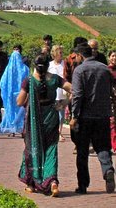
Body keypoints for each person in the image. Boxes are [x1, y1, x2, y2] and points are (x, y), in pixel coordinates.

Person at [17, 54, 72, 196]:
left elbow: (19, 101)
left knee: (32, 148)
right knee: (51, 149)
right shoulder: (55, 79)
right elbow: (74, 90)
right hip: (51, 117)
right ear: (48, 65)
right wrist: (64, 103)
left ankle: (31, 183)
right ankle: (52, 182)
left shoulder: (29, 80)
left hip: (34, 121)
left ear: (34, 66)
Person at [70, 43, 115, 194]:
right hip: (103, 114)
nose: (74, 59)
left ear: (81, 55)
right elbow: (111, 91)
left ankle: (83, 185)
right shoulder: (104, 68)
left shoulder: (79, 70)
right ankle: (108, 169)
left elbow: (77, 95)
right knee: (103, 147)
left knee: (82, 151)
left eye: (75, 56)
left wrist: (74, 116)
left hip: (85, 116)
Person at [0, 44, 29, 136]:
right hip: (21, 94)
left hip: (10, 94)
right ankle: (21, 129)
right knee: (21, 111)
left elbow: (2, 83)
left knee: (11, 111)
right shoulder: (25, 69)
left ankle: (12, 129)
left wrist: (5, 91)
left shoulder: (8, 69)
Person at [48, 44, 69, 142]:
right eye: (59, 52)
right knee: (53, 114)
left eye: (62, 52)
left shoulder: (65, 64)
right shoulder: (50, 65)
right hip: (53, 92)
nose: (61, 54)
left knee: (61, 115)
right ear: (54, 54)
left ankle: (59, 133)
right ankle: (53, 132)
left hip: (62, 92)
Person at [108, 50, 116, 153]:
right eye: (113, 56)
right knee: (112, 122)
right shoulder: (106, 70)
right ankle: (114, 145)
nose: (114, 58)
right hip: (110, 99)